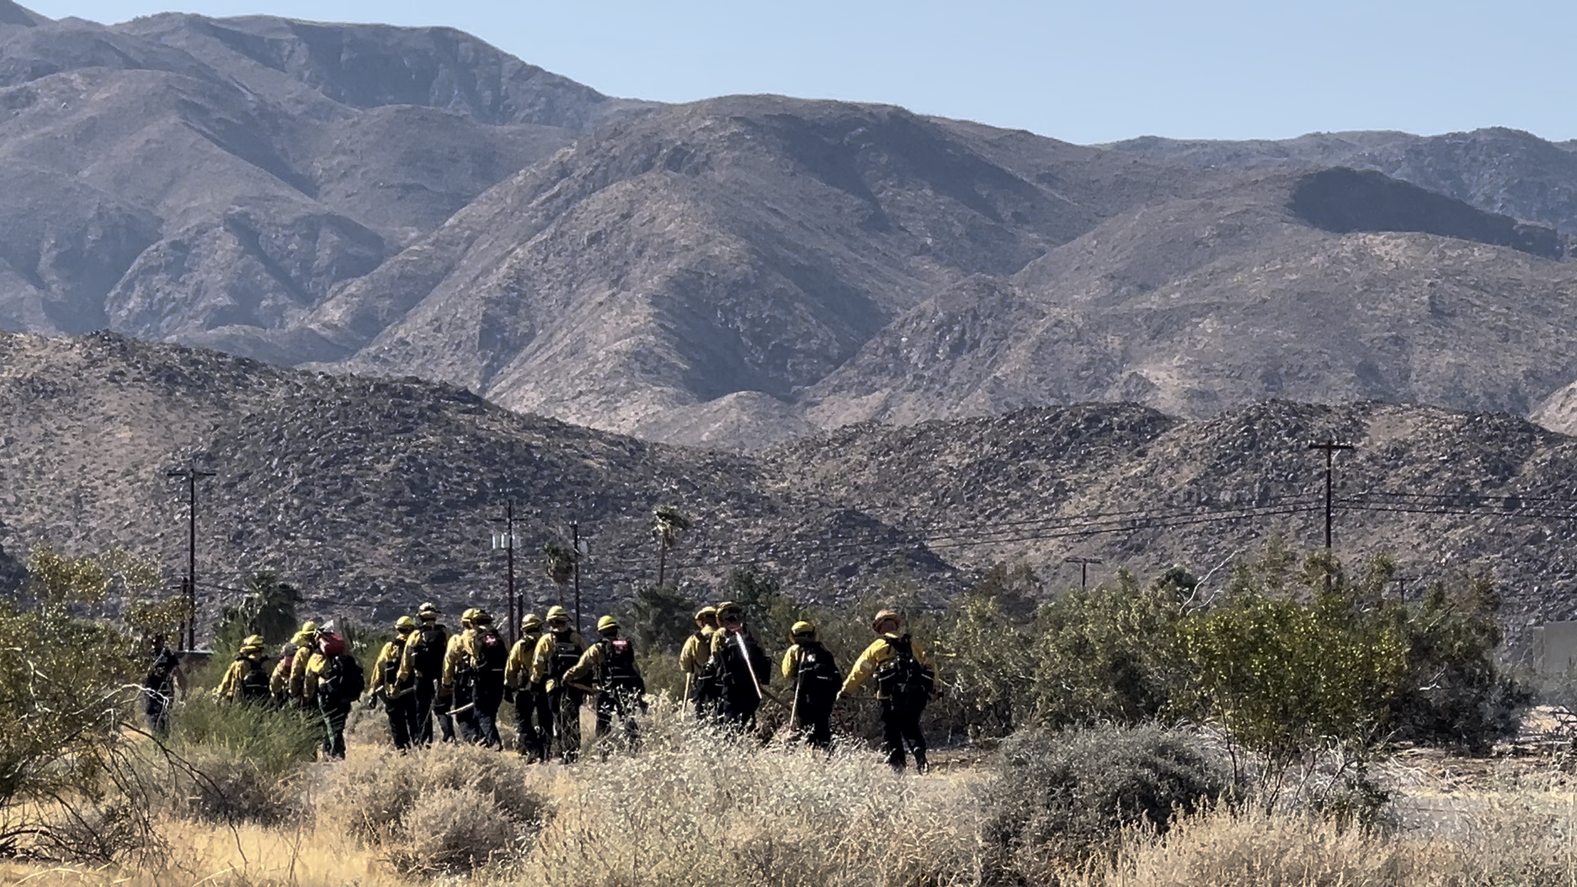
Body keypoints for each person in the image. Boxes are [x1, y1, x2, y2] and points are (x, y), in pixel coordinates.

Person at [840, 609, 935, 773]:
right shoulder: (912, 644)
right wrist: (935, 687)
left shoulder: (878, 646)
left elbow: (860, 670)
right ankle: (919, 752)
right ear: (895, 624)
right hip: (915, 694)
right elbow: (930, 665)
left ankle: (897, 768)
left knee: (891, 730)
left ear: (880, 627)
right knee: (911, 726)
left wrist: (845, 691)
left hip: (889, 697)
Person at [565, 615, 647, 751]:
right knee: (628, 720)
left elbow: (582, 666)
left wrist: (567, 677)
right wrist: (639, 696)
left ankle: (604, 752)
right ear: (616, 630)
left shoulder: (598, 648)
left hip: (606, 690)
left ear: (601, 631)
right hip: (626, 690)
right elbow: (635, 670)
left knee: (603, 723)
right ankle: (635, 749)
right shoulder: (625, 647)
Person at [531, 605, 586, 763]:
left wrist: (535, 683)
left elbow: (538, 664)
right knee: (573, 719)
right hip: (575, 687)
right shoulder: (576, 638)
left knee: (559, 719)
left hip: (553, 686)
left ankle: (564, 752)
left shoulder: (546, 640)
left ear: (550, 622)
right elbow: (585, 660)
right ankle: (574, 753)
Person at [445, 608, 507, 749]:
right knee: (488, 714)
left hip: (476, 680)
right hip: (497, 679)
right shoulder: (497, 637)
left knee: (477, 713)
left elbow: (449, 660)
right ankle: (484, 741)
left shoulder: (467, 637)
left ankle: (487, 742)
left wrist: (446, 683)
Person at [708, 601, 772, 733]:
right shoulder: (751, 631)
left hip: (730, 685)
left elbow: (715, 658)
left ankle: (732, 739)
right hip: (751, 684)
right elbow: (762, 654)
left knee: (730, 717)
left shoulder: (720, 633)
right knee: (747, 712)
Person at [303, 626, 365, 760]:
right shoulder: (346, 656)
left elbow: (309, 678)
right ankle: (333, 750)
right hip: (345, 696)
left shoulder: (316, 658)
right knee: (339, 725)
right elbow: (360, 667)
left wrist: (308, 696)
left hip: (327, 696)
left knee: (330, 724)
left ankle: (336, 753)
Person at [781, 621, 842, 751]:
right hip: (824, 700)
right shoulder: (823, 652)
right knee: (823, 726)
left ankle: (811, 753)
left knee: (807, 729)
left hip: (803, 697)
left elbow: (787, 673)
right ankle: (826, 753)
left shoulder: (795, 650)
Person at [401, 602, 454, 744]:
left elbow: (406, 659)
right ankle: (449, 735)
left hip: (421, 677)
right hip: (441, 677)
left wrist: (401, 679)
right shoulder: (445, 632)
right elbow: (453, 654)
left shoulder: (416, 635)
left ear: (420, 617)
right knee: (442, 708)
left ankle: (425, 741)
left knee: (422, 710)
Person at [371, 617, 421, 751]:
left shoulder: (390, 647)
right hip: (414, 690)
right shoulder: (417, 644)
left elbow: (379, 669)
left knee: (397, 723)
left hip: (393, 692)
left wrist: (373, 691)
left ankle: (402, 750)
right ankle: (419, 748)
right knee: (415, 721)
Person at [506, 613, 547, 760]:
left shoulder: (520, 645)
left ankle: (533, 749)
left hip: (525, 688)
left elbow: (511, 668)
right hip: (546, 686)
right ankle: (545, 752)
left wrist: (510, 686)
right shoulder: (548, 642)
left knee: (523, 720)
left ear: (524, 628)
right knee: (546, 720)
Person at [441, 608, 482, 744]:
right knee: (480, 712)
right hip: (484, 680)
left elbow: (449, 661)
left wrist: (446, 683)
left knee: (462, 715)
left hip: (464, 680)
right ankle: (482, 739)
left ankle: (471, 738)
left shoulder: (457, 639)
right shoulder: (488, 638)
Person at [141, 633, 186, 736]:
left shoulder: (149, 655)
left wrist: (183, 689)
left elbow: (177, 673)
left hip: (154, 691)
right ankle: (161, 738)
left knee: (157, 716)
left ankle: (159, 738)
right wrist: (183, 689)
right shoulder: (168, 654)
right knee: (162, 715)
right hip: (161, 691)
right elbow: (178, 673)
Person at [679, 605, 719, 717]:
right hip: (723, 680)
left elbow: (684, 662)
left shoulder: (694, 639)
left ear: (702, 621)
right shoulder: (723, 636)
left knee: (702, 712)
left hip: (702, 680)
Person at [217, 634, 272, 704]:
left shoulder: (239, 663)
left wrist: (220, 696)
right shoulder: (268, 663)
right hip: (264, 701)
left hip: (241, 701)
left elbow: (226, 682)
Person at [272, 625, 315, 707]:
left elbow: (274, 682)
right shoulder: (313, 654)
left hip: (296, 694)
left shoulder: (284, 663)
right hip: (313, 691)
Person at [287, 620, 320, 705]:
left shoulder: (302, 652)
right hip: (329, 686)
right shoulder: (325, 649)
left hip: (310, 689)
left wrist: (293, 693)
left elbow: (295, 675)